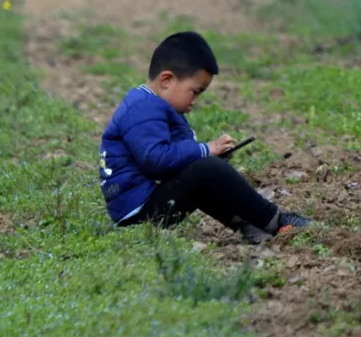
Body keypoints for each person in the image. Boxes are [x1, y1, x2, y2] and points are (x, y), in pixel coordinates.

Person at [98, 31, 311, 243]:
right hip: (139, 210)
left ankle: (249, 224)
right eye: (195, 91)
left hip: (146, 203)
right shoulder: (143, 108)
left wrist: (204, 157)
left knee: (206, 173)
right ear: (166, 80)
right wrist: (205, 150)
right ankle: (277, 220)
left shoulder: (156, 105)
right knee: (206, 170)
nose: (196, 100)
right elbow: (157, 159)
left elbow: (173, 160)